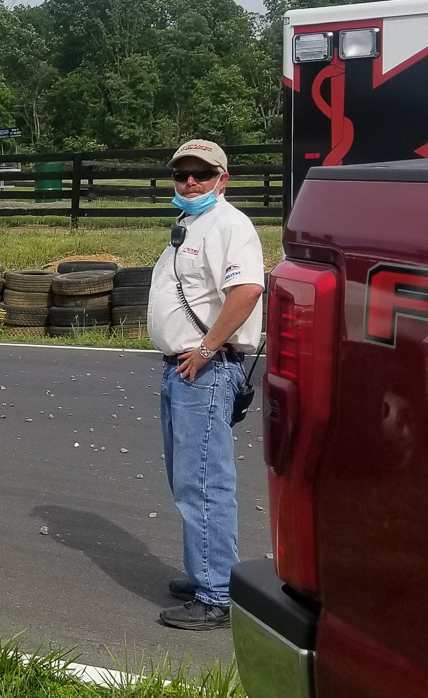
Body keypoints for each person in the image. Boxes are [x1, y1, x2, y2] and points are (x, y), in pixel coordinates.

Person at [147, 139, 265, 631]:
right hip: (184, 367)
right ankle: (204, 574)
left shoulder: (230, 225)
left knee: (203, 484)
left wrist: (207, 349)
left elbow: (248, 289)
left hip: (205, 369)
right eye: (182, 174)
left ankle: (217, 593)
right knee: (186, 480)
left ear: (223, 177)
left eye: (201, 173)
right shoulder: (192, 224)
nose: (190, 181)